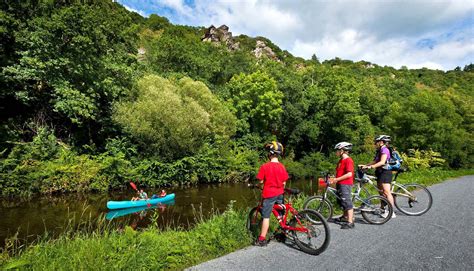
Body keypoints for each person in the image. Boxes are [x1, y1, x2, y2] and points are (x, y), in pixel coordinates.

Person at [254, 141, 289, 247]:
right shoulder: (282, 167)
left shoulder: (265, 166)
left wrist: (259, 186)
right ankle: (284, 234)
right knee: (280, 213)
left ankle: (262, 239)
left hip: (269, 194)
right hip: (280, 193)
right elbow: (284, 182)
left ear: (270, 153)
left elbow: (260, 181)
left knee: (266, 216)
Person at [359, 135, 395, 218]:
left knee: (386, 192)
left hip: (385, 172)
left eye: (376, 142)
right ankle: (383, 209)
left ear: (381, 142)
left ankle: (391, 212)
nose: (375, 143)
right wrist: (365, 165)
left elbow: (382, 162)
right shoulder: (379, 150)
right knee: (381, 192)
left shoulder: (385, 150)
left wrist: (370, 167)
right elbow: (375, 161)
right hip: (380, 172)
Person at [330, 142, 355, 229]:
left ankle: (350, 222)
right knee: (342, 201)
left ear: (342, 151)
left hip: (345, 184)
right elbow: (339, 172)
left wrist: (336, 179)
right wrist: (334, 178)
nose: (336, 152)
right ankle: (345, 217)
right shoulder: (341, 160)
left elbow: (349, 174)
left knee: (347, 202)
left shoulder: (348, 160)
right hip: (340, 183)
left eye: (337, 150)